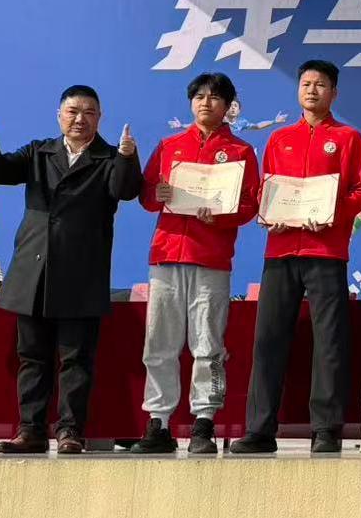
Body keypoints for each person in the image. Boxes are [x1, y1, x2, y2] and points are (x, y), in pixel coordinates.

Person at [0, 86, 142, 455]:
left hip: (81, 271)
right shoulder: (39, 151)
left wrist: (128, 157)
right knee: (32, 357)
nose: (80, 119)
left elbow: (126, 190)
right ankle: (30, 430)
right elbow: (0, 171)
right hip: (34, 267)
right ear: (59, 115)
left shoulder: (109, 156)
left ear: (99, 118)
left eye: (89, 112)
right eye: (72, 111)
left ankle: (70, 431)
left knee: (76, 359)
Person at [229, 60, 361, 455]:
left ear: (334, 93)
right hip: (281, 249)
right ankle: (259, 429)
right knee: (268, 339)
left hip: (326, 250)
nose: (312, 90)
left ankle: (326, 429)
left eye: (320, 84)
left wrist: (332, 213)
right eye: (306, 83)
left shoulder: (348, 138)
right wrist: (267, 213)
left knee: (330, 341)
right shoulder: (279, 139)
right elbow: (266, 190)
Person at [131, 72, 261, 455]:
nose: (206, 102)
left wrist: (219, 215)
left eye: (215, 97)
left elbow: (250, 204)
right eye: (200, 96)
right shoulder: (169, 146)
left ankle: (204, 421)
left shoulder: (240, 152)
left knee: (208, 344)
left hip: (211, 258)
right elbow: (146, 196)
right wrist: (157, 193)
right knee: (160, 342)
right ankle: (158, 422)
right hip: (167, 255)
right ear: (191, 102)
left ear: (228, 106)